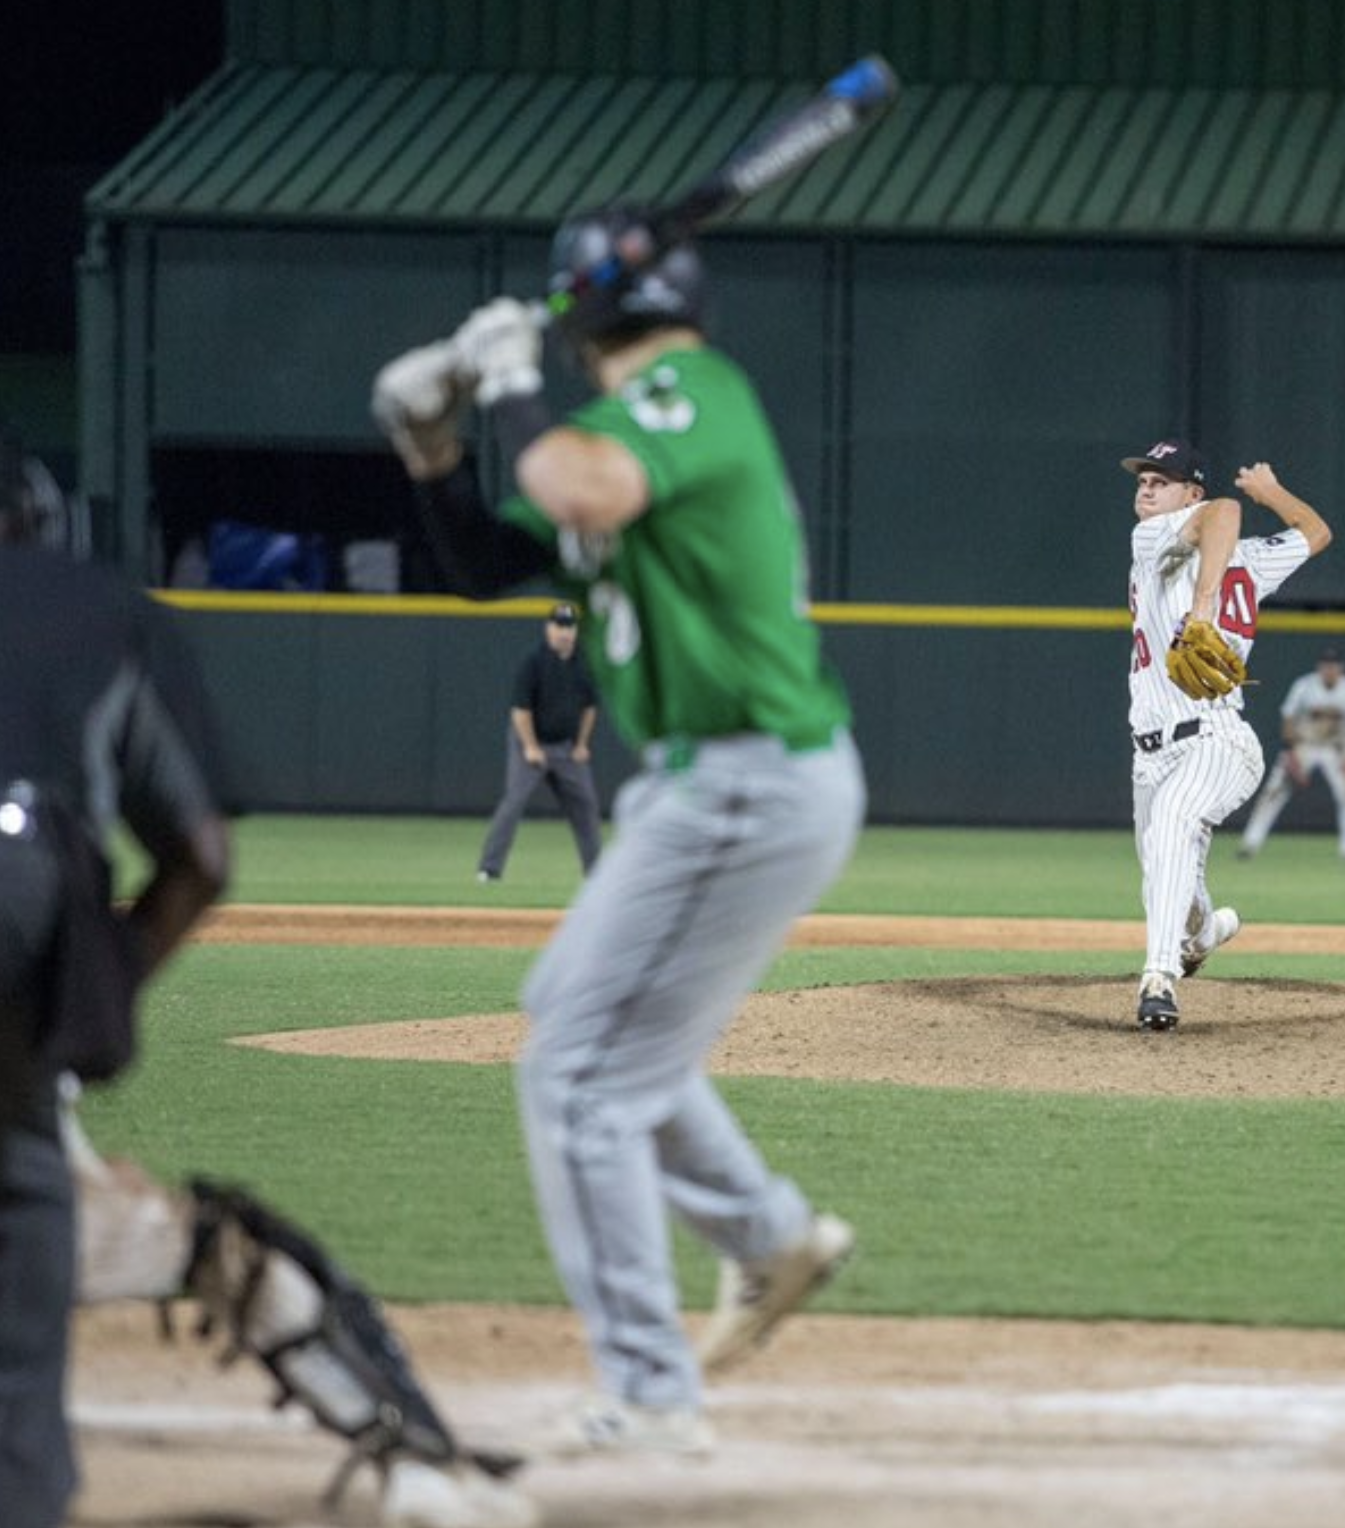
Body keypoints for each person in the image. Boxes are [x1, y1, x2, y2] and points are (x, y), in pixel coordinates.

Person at [371, 208, 865, 1459]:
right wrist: (432, 448)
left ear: (582, 314)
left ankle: (649, 1396)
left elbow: (578, 482)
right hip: (706, 784)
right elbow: (491, 561)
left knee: (579, 1076)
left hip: (751, 778)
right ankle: (767, 1237)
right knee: (583, 1026)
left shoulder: (691, 396)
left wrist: (505, 384)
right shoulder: (616, 428)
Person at [0, 393, 233, 1528]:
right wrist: (92, 995)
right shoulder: (92, 604)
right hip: (9, 882)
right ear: (33, 520)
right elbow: (201, 854)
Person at [1122, 438, 1332, 1031]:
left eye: (1161, 481)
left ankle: (1158, 980)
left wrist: (1204, 603)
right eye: (1143, 480)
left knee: (1173, 828)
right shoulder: (1152, 538)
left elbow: (1231, 512)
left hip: (1216, 739)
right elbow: (1307, 533)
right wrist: (1274, 500)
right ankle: (1203, 934)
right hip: (1150, 753)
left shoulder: (1221, 542)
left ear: (1191, 493)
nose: (1146, 489)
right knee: (1170, 875)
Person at [475, 600, 603, 882]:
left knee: (586, 806)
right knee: (514, 802)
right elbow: (520, 711)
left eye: (569, 627)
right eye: (559, 626)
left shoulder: (584, 661)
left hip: (567, 748)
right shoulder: (534, 661)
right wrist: (531, 747)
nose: (564, 633)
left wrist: (582, 744)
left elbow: (590, 708)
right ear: (548, 628)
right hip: (530, 742)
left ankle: (596, 874)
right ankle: (489, 869)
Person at [1238, 648, 1345, 862]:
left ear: (1342, 668)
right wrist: (1290, 752)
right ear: (1319, 667)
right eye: (1326, 664)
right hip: (1303, 747)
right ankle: (1250, 844)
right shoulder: (1305, 686)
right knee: (1274, 791)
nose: (1330, 669)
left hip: (1335, 750)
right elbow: (1288, 718)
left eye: (1334, 665)